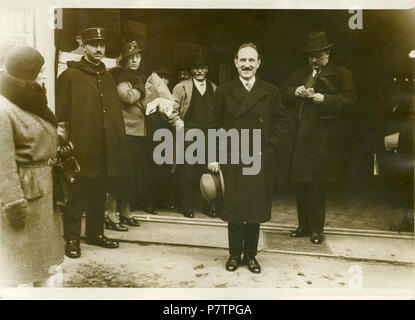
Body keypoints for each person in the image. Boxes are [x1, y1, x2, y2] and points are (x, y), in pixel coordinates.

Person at [208, 43, 287, 273]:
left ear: (259, 63)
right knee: (234, 209)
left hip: (258, 158)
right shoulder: (224, 90)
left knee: (254, 209)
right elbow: (213, 125)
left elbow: (282, 124)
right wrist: (213, 155)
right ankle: (234, 254)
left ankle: (251, 255)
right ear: (235, 62)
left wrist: (270, 150)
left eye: (251, 60)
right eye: (242, 60)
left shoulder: (270, 91)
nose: (247, 65)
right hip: (232, 157)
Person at [55, 27, 127, 258]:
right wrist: (65, 146)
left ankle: (95, 233)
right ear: (83, 46)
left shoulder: (107, 76)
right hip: (81, 147)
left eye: (102, 44)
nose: (99, 48)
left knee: (99, 192)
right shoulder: (70, 76)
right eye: (94, 44)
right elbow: (60, 116)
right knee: (77, 194)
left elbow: (115, 113)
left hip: (104, 147)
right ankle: (72, 239)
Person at [282, 31, 357, 244]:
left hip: (322, 139)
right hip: (299, 136)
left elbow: (351, 100)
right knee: (300, 183)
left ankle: (316, 229)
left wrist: (325, 99)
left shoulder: (342, 73)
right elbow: (283, 94)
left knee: (316, 185)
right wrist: (294, 92)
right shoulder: (299, 73)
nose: (314, 59)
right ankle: (303, 226)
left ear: (328, 52)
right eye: (310, 55)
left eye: (318, 55)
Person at [0, 45, 64, 286]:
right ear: (27, 73)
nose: (44, 76)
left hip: (44, 193)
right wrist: (14, 204)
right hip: (24, 199)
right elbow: (3, 164)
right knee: (14, 269)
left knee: (43, 268)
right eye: (40, 71)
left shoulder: (34, 101)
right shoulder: (4, 108)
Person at [109, 40, 158, 218]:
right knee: (121, 173)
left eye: (138, 56)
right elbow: (127, 98)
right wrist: (141, 89)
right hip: (126, 131)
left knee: (132, 174)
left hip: (138, 132)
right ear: (125, 60)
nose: (135, 60)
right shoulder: (121, 76)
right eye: (131, 57)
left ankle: (125, 211)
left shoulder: (137, 77)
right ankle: (111, 213)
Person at [170, 53, 218, 218]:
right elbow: (172, 109)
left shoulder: (214, 88)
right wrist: (177, 122)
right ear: (191, 70)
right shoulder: (181, 87)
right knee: (188, 172)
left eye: (203, 68)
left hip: (210, 135)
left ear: (207, 69)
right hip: (189, 134)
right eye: (196, 68)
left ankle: (208, 205)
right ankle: (187, 206)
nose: (200, 71)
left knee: (209, 171)